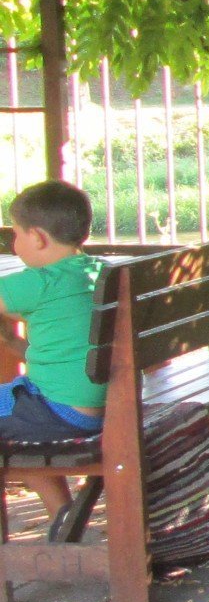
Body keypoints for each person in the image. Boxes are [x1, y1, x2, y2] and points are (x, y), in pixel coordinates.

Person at [0, 181, 107, 528]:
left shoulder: (40, 281)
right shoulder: (100, 272)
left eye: (15, 235)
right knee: (15, 406)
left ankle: (60, 514)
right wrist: (14, 345)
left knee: (13, 413)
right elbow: (67, 345)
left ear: (38, 238)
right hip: (104, 406)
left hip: (57, 412)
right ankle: (63, 516)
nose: (13, 245)